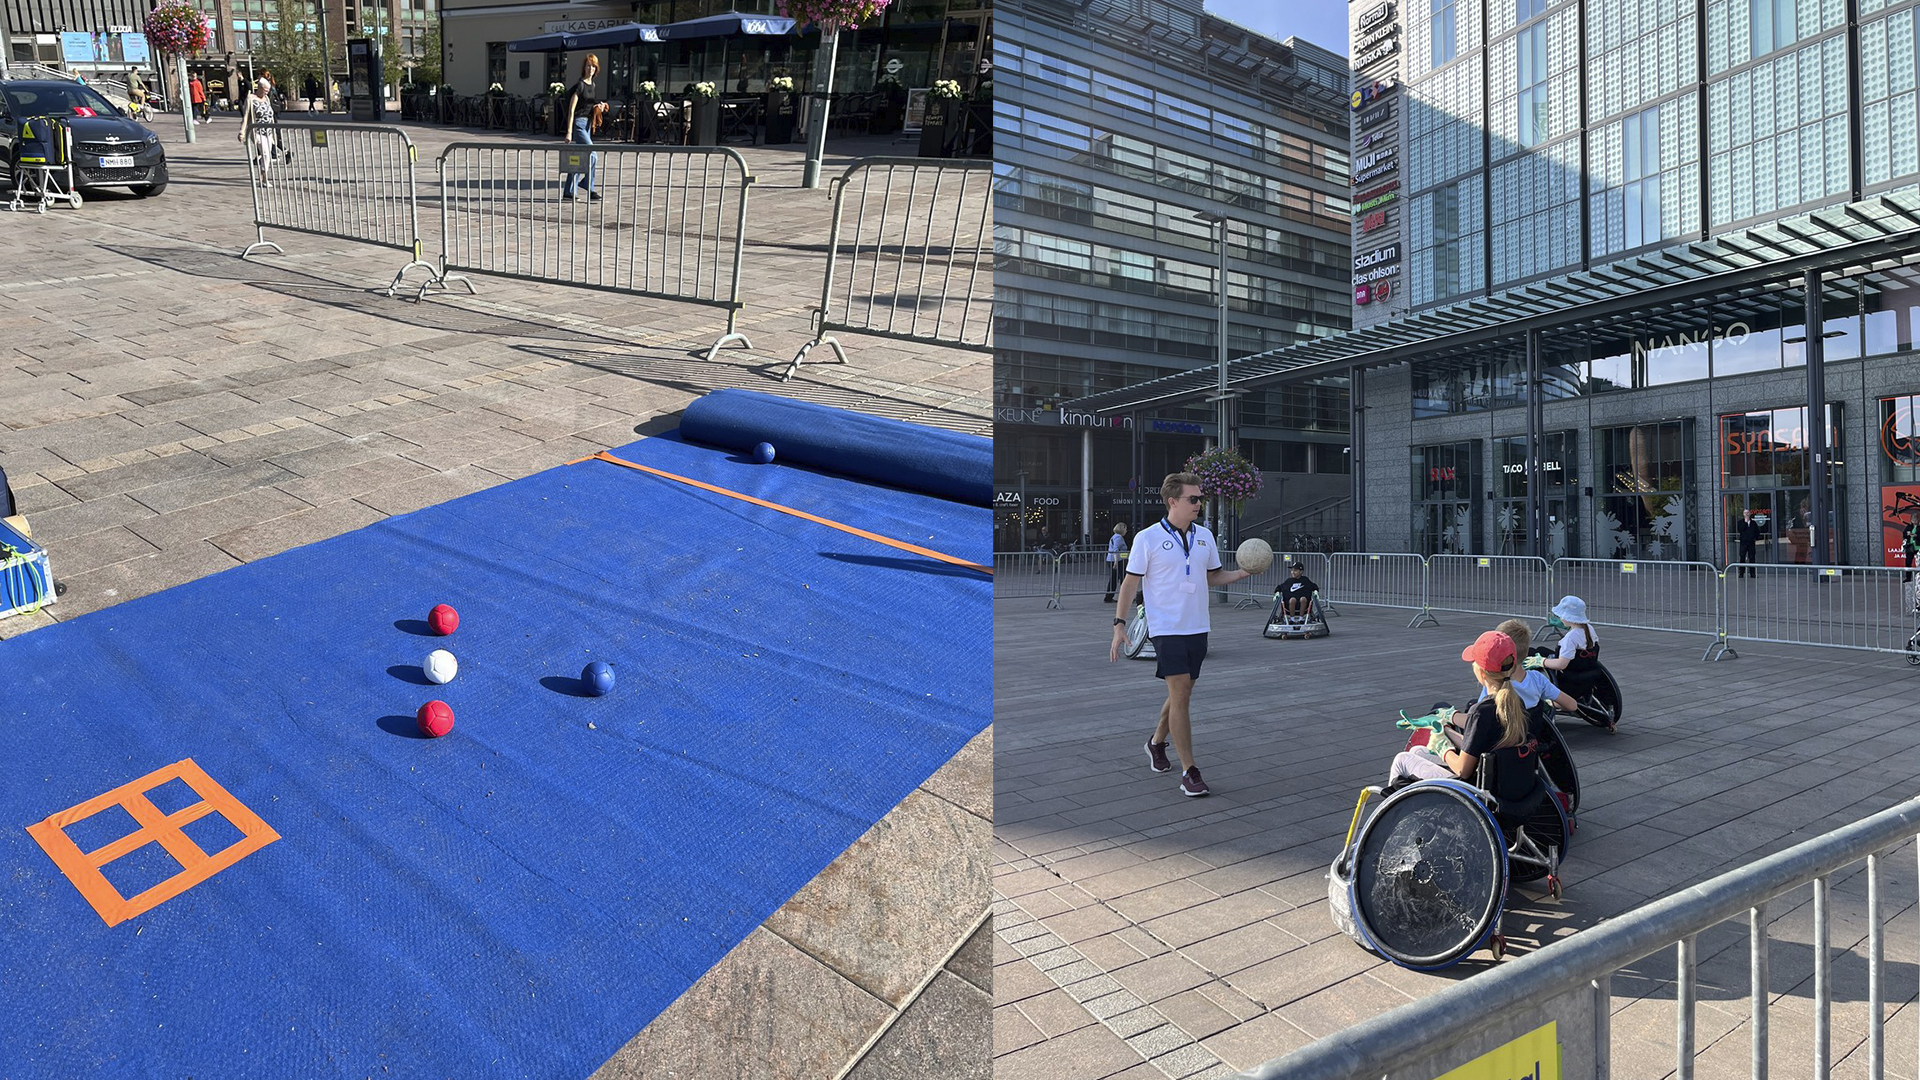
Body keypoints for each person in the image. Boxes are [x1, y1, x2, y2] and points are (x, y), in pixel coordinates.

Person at [1109, 473, 1252, 798]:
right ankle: (1190, 771)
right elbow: (1130, 584)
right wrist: (1119, 623)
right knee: (1182, 697)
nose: (1199, 504)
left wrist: (1243, 572)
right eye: (1193, 499)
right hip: (1166, 628)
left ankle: (1156, 743)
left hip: (1198, 626)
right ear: (1173, 501)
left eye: (1200, 498)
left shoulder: (1205, 536)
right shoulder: (1147, 538)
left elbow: (1212, 576)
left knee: (1181, 693)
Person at [1387, 631, 1540, 813]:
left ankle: (1394, 821)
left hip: (1475, 792)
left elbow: (1462, 770)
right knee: (1417, 751)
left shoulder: (1481, 712)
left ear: (1482, 673)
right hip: (1506, 784)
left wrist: (1444, 749)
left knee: (1402, 760)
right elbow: (1482, 747)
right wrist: (1445, 730)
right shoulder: (1515, 703)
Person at [1528, 595, 1602, 702]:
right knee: (1541, 649)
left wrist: (1541, 661)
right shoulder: (1589, 629)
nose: (1560, 618)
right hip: (1585, 670)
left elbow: (1561, 665)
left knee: (1532, 653)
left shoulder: (1570, 639)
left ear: (1567, 617)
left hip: (1568, 677)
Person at [562, 55, 605, 201]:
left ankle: (568, 191)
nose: (590, 69)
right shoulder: (580, 85)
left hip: (587, 124)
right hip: (579, 124)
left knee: (579, 158)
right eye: (588, 65)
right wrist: (569, 132)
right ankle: (589, 186)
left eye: (593, 66)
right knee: (593, 154)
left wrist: (598, 106)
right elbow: (572, 110)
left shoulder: (593, 85)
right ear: (584, 68)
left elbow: (588, 105)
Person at [237, 78, 278, 186]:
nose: (267, 92)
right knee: (265, 153)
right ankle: (264, 178)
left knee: (268, 154)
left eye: (268, 90)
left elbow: (270, 114)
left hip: (268, 131)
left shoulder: (266, 99)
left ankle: (263, 175)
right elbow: (246, 116)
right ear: (259, 88)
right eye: (265, 90)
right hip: (257, 131)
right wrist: (242, 132)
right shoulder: (251, 98)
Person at [1102, 521, 1128, 603]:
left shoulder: (1115, 537)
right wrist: (1116, 562)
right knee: (1120, 578)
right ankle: (1122, 596)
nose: (1126, 531)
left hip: (1113, 559)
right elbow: (1116, 550)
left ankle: (1110, 596)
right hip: (1116, 560)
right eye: (1125, 529)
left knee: (1115, 578)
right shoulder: (1118, 538)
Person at [1736, 507, 1761, 578]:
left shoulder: (1753, 523)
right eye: (1745, 513)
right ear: (1743, 514)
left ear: (1750, 514)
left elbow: (1757, 532)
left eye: (1747, 513)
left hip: (1751, 543)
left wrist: (1755, 538)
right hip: (1743, 543)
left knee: (1752, 558)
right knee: (1742, 557)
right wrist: (1746, 523)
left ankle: (1752, 574)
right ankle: (1741, 573)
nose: (1746, 514)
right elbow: (1740, 530)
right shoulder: (1740, 522)